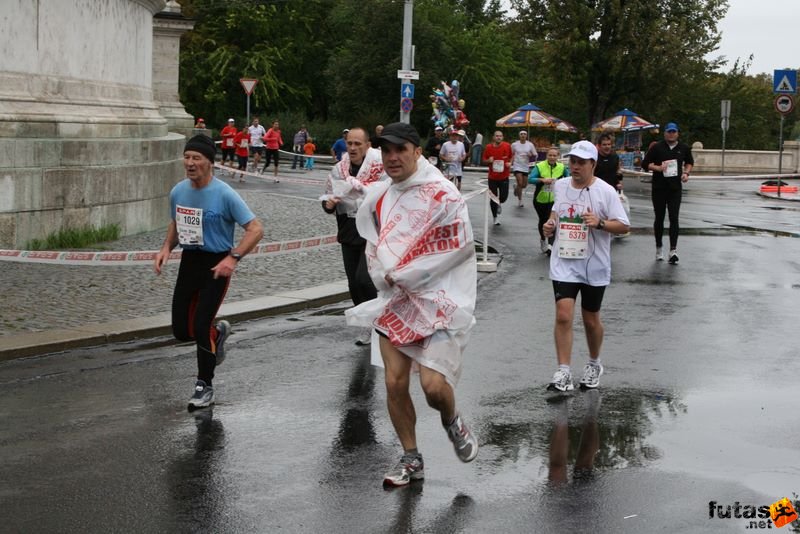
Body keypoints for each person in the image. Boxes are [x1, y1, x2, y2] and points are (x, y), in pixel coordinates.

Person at [345, 122, 479, 487]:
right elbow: (376, 244)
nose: (392, 158)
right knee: (394, 382)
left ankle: (452, 420)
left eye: (400, 150)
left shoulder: (443, 194)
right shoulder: (381, 195)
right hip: (396, 302)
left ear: (417, 152)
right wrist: (381, 273)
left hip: (438, 302)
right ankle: (411, 458)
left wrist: (413, 274)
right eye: (386, 151)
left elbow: (461, 249)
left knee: (434, 388)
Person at [154, 134, 264, 410]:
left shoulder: (224, 193)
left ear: (209, 163)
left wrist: (233, 257)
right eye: (187, 157)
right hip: (190, 261)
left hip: (217, 264)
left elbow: (256, 229)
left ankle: (205, 386)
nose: (189, 163)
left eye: (196, 158)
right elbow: (176, 222)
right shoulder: (179, 191)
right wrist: (166, 247)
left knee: (200, 325)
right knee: (181, 330)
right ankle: (218, 334)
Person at [542, 140, 630, 393]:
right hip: (564, 261)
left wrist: (600, 223)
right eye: (572, 162)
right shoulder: (560, 185)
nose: (576, 167)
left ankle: (594, 363)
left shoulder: (606, 191)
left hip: (594, 265)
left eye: (581, 162)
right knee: (563, 314)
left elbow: (624, 226)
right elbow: (555, 215)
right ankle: (563, 372)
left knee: (590, 320)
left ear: (593, 164)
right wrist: (549, 226)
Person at [321, 127, 383, 345]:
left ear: (368, 145)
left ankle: (378, 319)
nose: (353, 148)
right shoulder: (339, 169)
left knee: (364, 279)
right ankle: (366, 324)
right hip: (348, 228)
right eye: (350, 143)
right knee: (353, 283)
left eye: (358, 143)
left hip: (374, 230)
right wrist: (328, 204)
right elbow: (328, 198)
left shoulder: (380, 167)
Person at [642, 122, 694, 264]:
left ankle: (673, 250)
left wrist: (686, 173)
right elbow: (645, 164)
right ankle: (659, 248)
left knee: (674, 218)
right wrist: (657, 168)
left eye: (674, 132)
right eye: (669, 132)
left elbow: (689, 162)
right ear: (664, 133)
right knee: (659, 218)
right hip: (659, 188)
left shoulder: (683, 148)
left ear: (677, 133)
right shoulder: (657, 147)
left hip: (675, 189)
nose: (671, 134)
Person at [529, 147, 570, 255]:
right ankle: (543, 239)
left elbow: (569, 178)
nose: (552, 157)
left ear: (558, 156)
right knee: (543, 220)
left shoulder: (561, 167)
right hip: (540, 199)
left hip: (555, 199)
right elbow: (530, 179)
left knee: (552, 220)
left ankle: (551, 245)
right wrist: (542, 180)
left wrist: (562, 182)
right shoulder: (540, 166)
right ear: (547, 156)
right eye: (550, 155)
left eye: (554, 155)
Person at [482, 130, 513, 225]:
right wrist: (488, 160)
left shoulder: (507, 146)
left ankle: (499, 203)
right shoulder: (488, 147)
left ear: (502, 137)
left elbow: (511, 157)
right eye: (497, 136)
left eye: (500, 136)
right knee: (493, 198)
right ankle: (495, 217)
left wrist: (510, 163)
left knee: (503, 198)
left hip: (504, 176)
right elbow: (483, 160)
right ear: (493, 137)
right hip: (492, 178)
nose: (498, 137)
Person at [511, 130, 537, 207]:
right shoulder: (514, 144)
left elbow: (535, 154)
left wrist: (531, 154)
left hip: (525, 166)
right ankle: (520, 200)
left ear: (526, 136)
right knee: (520, 182)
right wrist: (510, 162)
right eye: (521, 134)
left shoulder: (530, 145)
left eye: (524, 134)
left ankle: (516, 188)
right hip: (517, 165)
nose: (523, 135)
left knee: (524, 185)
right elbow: (511, 154)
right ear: (519, 136)